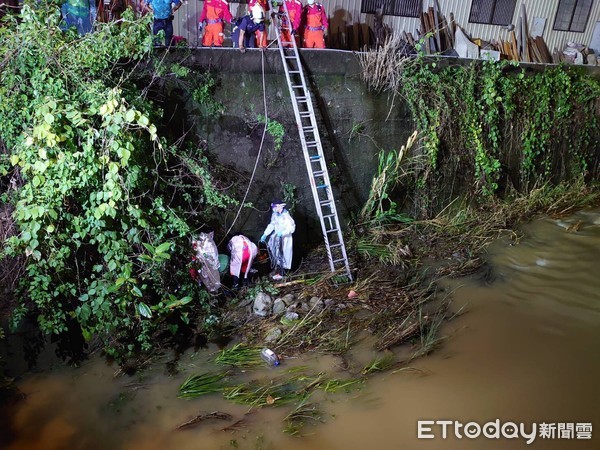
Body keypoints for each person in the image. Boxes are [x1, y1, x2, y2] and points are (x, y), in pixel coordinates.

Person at [260, 200, 295, 280]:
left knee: (284, 254)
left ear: (280, 206)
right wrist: (265, 234)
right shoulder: (275, 215)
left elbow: (292, 228)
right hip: (276, 237)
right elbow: (272, 224)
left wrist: (282, 233)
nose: (273, 208)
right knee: (275, 253)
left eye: (274, 206)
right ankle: (278, 270)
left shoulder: (286, 216)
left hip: (285, 238)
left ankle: (283, 273)